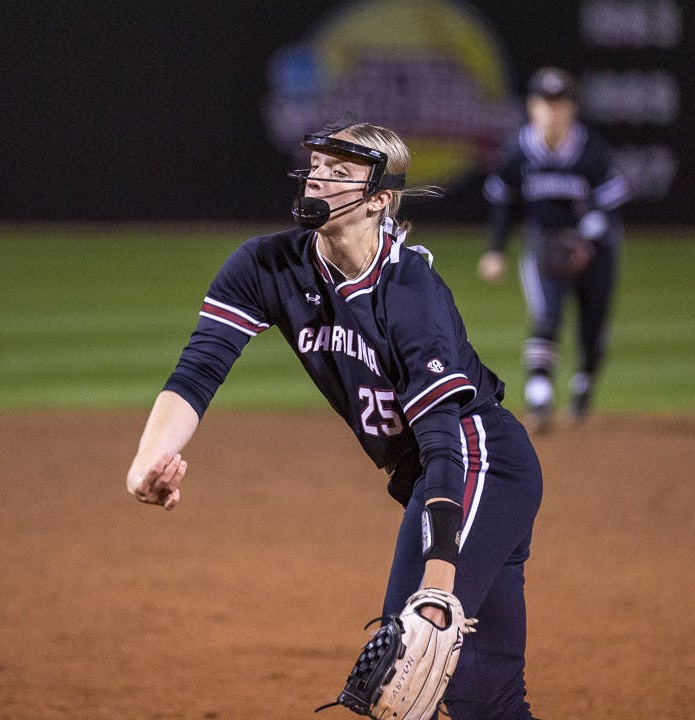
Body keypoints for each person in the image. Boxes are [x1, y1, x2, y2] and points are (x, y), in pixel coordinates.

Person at [126, 116, 543, 719]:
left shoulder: (411, 293)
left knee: (402, 672)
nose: (317, 181)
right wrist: (144, 463)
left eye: (339, 174)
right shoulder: (267, 266)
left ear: (379, 201)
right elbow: (196, 374)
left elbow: (443, 444)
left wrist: (438, 582)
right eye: (316, 168)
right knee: (487, 704)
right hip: (441, 479)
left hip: (479, 463)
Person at [478, 67, 630, 432]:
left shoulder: (590, 151)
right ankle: (540, 397)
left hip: (597, 252)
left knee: (592, 328)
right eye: (545, 103)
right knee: (546, 316)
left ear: (571, 109)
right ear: (532, 107)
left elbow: (612, 203)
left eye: (559, 104)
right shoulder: (518, 153)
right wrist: (495, 249)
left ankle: (582, 390)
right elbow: (503, 204)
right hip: (544, 247)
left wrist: (586, 234)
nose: (552, 111)